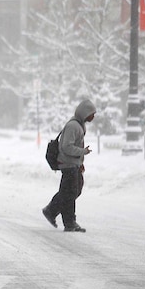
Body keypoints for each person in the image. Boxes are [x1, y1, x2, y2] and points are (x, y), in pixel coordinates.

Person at [42, 99, 96, 233]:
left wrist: (80, 163)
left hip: (73, 164)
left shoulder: (79, 125)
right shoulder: (73, 126)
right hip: (67, 164)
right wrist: (82, 152)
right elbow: (66, 147)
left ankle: (52, 211)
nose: (93, 116)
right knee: (69, 192)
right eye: (91, 113)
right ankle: (68, 221)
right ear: (85, 113)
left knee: (73, 191)